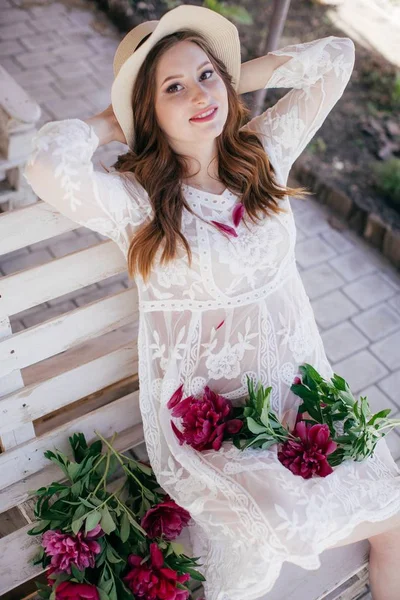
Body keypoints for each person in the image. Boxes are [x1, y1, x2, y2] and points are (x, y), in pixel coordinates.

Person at [23, 5, 400, 599]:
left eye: (206, 75)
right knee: (273, 531)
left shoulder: (261, 152)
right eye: (173, 88)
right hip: (215, 426)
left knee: (395, 516)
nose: (201, 95)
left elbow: (335, 57)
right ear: (147, 113)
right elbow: (46, 163)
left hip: (300, 398)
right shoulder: (139, 204)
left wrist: (229, 74)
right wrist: (110, 120)